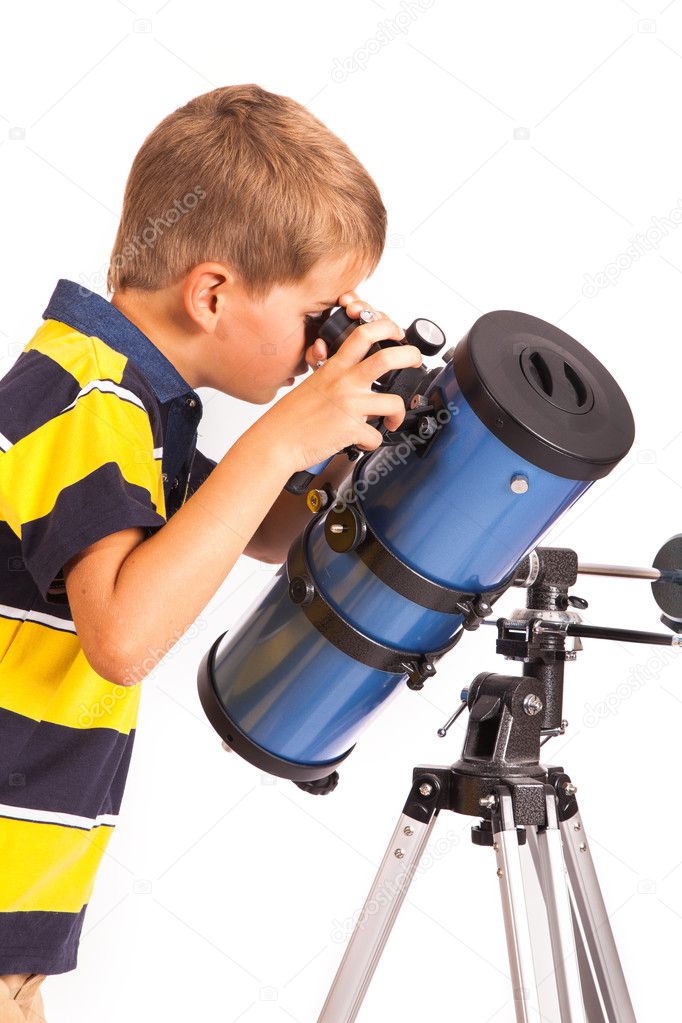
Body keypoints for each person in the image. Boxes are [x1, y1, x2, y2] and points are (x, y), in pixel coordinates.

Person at [0, 83, 421, 1019]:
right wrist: (281, 436)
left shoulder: (133, 404)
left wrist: (349, 446)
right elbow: (124, 633)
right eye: (320, 315)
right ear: (213, 293)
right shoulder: (86, 398)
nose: (323, 348)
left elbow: (255, 531)